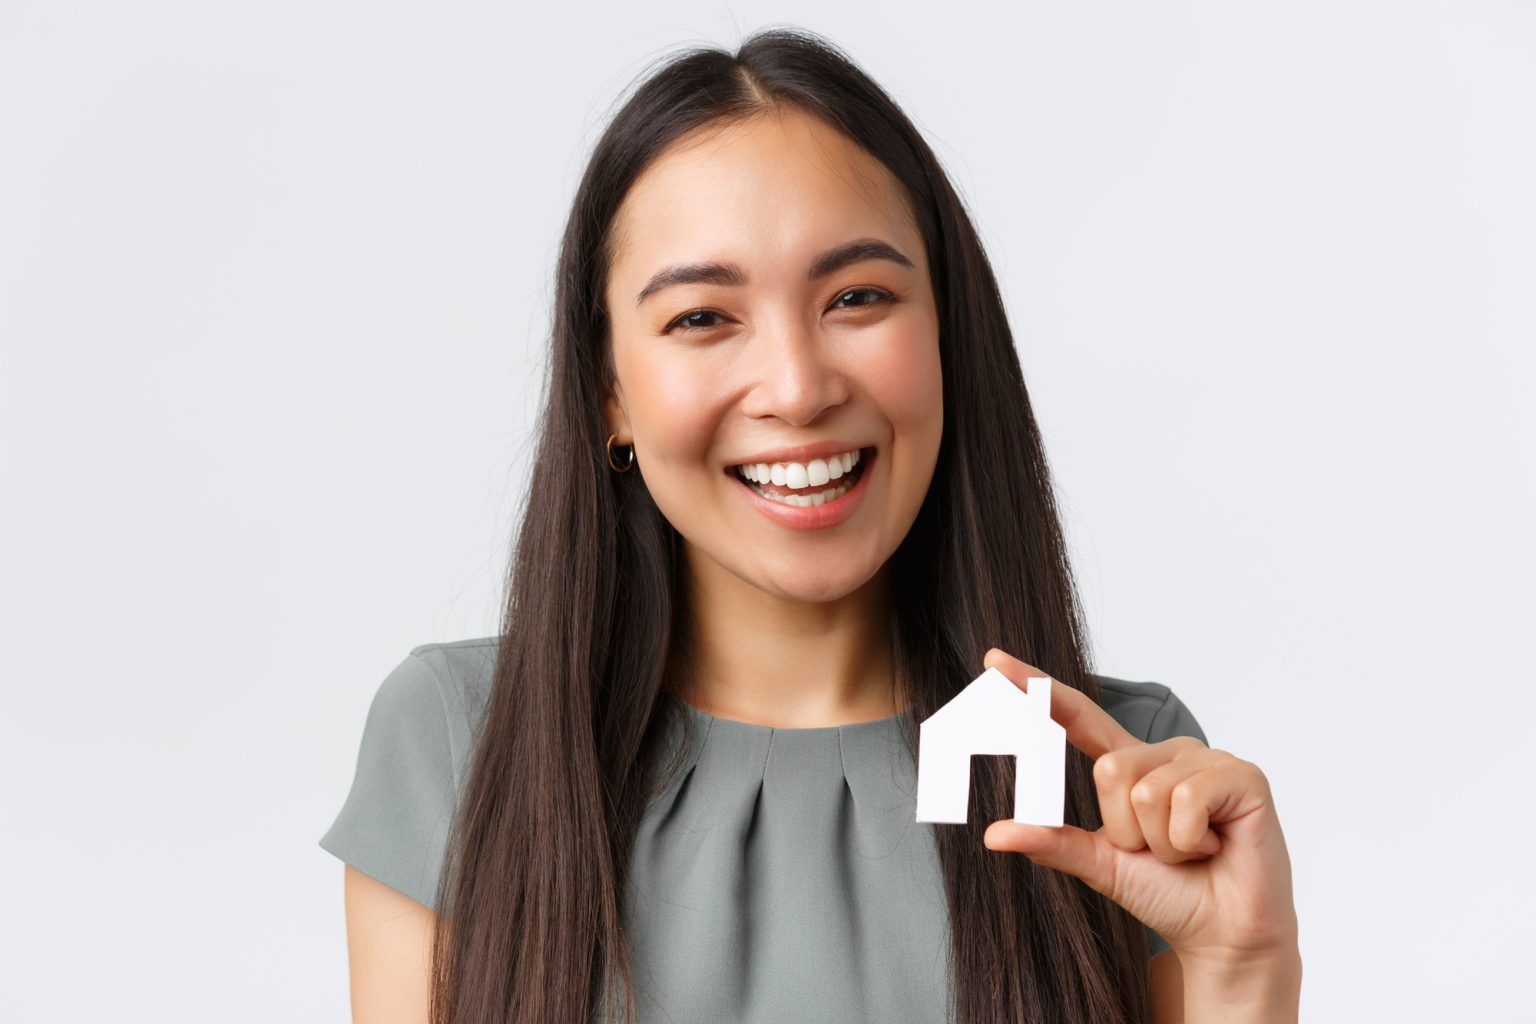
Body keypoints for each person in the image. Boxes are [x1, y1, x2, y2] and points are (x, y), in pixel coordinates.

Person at [318, 27, 1300, 1024]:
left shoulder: (1118, 776)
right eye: (703, 316)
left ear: (949, 337)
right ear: (608, 389)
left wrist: (1243, 971)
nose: (795, 388)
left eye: (858, 298)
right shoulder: (460, 747)